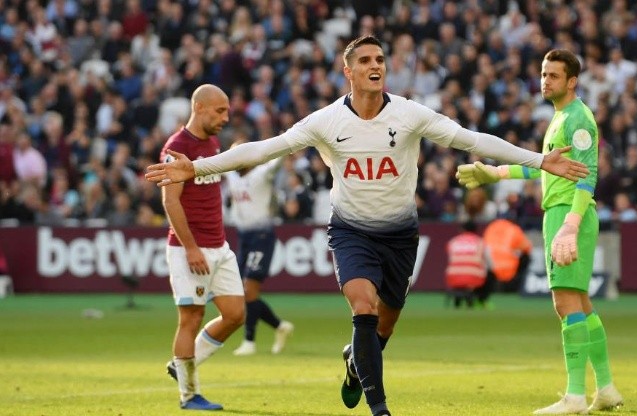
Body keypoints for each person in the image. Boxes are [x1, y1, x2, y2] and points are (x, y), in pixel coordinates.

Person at [145, 36, 588, 416]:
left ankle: (356, 363)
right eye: (365, 61)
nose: (375, 66)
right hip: (351, 230)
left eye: (380, 60)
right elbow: (263, 150)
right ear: (348, 71)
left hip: (399, 235)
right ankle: (381, 409)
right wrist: (199, 169)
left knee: (384, 326)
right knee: (363, 308)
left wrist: (539, 159)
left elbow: (472, 140)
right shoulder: (326, 121)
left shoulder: (411, 114)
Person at [456, 49, 623, 414]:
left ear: (572, 81)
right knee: (580, 304)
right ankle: (606, 388)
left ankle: (575, 396)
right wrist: (496, 173)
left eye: (554, 75)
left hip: (567, 214)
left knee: (564, 303)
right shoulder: (561, 116)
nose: (545, 80)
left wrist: (569, 224)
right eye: (544, 74)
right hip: (562, 213)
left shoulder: (577, 119)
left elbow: (586, 175)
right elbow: (544, 168)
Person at [160, 84, 245, 411]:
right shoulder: (176, 147)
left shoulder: (211, 143)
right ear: (199, 107)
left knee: (236, 315)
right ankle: (189, 394)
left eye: (227, 110)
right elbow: (170, 201)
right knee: (191, 317)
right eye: (220, 110)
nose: (226, 116)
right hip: (189, 249)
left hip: (219, 246)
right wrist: (191, 248)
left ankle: (180, 364)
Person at [224, 141, 294, 356]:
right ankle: (280, 326)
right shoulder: (233, 176)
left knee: (249, 289)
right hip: (243, 237)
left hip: (261, 236)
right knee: (243, 292)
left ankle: (249, 342)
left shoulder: (262, 173)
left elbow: (277, 161)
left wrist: (288, 140)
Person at [444, 220, 489, 309]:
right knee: (488, 273)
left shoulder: (453, 242)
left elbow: (450, 260)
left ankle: (458, 298)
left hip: (453, 277)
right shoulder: (480, 242)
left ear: (462, 229)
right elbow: (488, 261)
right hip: (475, 278)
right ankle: (481, 300)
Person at [483, 215, 532, 294]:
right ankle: (520, 284)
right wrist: (515, 251)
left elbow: (484, 247)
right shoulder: (514, 229)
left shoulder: (491, 227)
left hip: (492, 269)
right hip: (510, 269)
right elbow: (528, 247)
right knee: (526, 257)